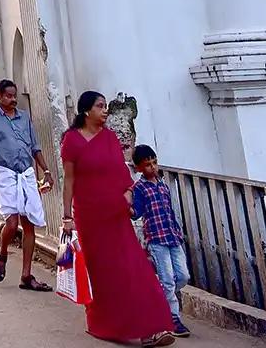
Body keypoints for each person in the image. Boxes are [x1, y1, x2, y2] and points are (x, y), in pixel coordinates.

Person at [62, 93, 177, 346]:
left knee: (134, 268)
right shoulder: (71, 141)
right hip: (90, 215)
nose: (105, 111)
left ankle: (152, 327)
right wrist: (67, 216)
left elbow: (122, 172)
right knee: (104, 274)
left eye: (105, 106)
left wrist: (127, 193)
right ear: (85, 111)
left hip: (115, 213)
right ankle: (106, 323)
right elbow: (69, 180)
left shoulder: (110, 138)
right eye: (100, 107)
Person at [0, 79, 54, 292]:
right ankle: (2, 253)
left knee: (29, 224)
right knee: (12, 224)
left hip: (26, 173)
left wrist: (46, 171)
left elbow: (35, 147)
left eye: (14, 96)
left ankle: (26, 275)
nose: (12, 100)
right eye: (8, 96)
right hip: (4, 173)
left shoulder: (24, 117)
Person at [131, 145, 192, 337]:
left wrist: (178, 231)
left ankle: (161, 297)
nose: (153, 167)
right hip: (156, 239)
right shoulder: (139, 188)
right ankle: (172, 318)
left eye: (154, 163)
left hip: (173, 236)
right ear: (139, 168)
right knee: (167, 279)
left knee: (183, 276)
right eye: (148, 165)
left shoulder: (163, 185)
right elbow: (137, 213)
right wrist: (125, 207)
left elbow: (170, 211)